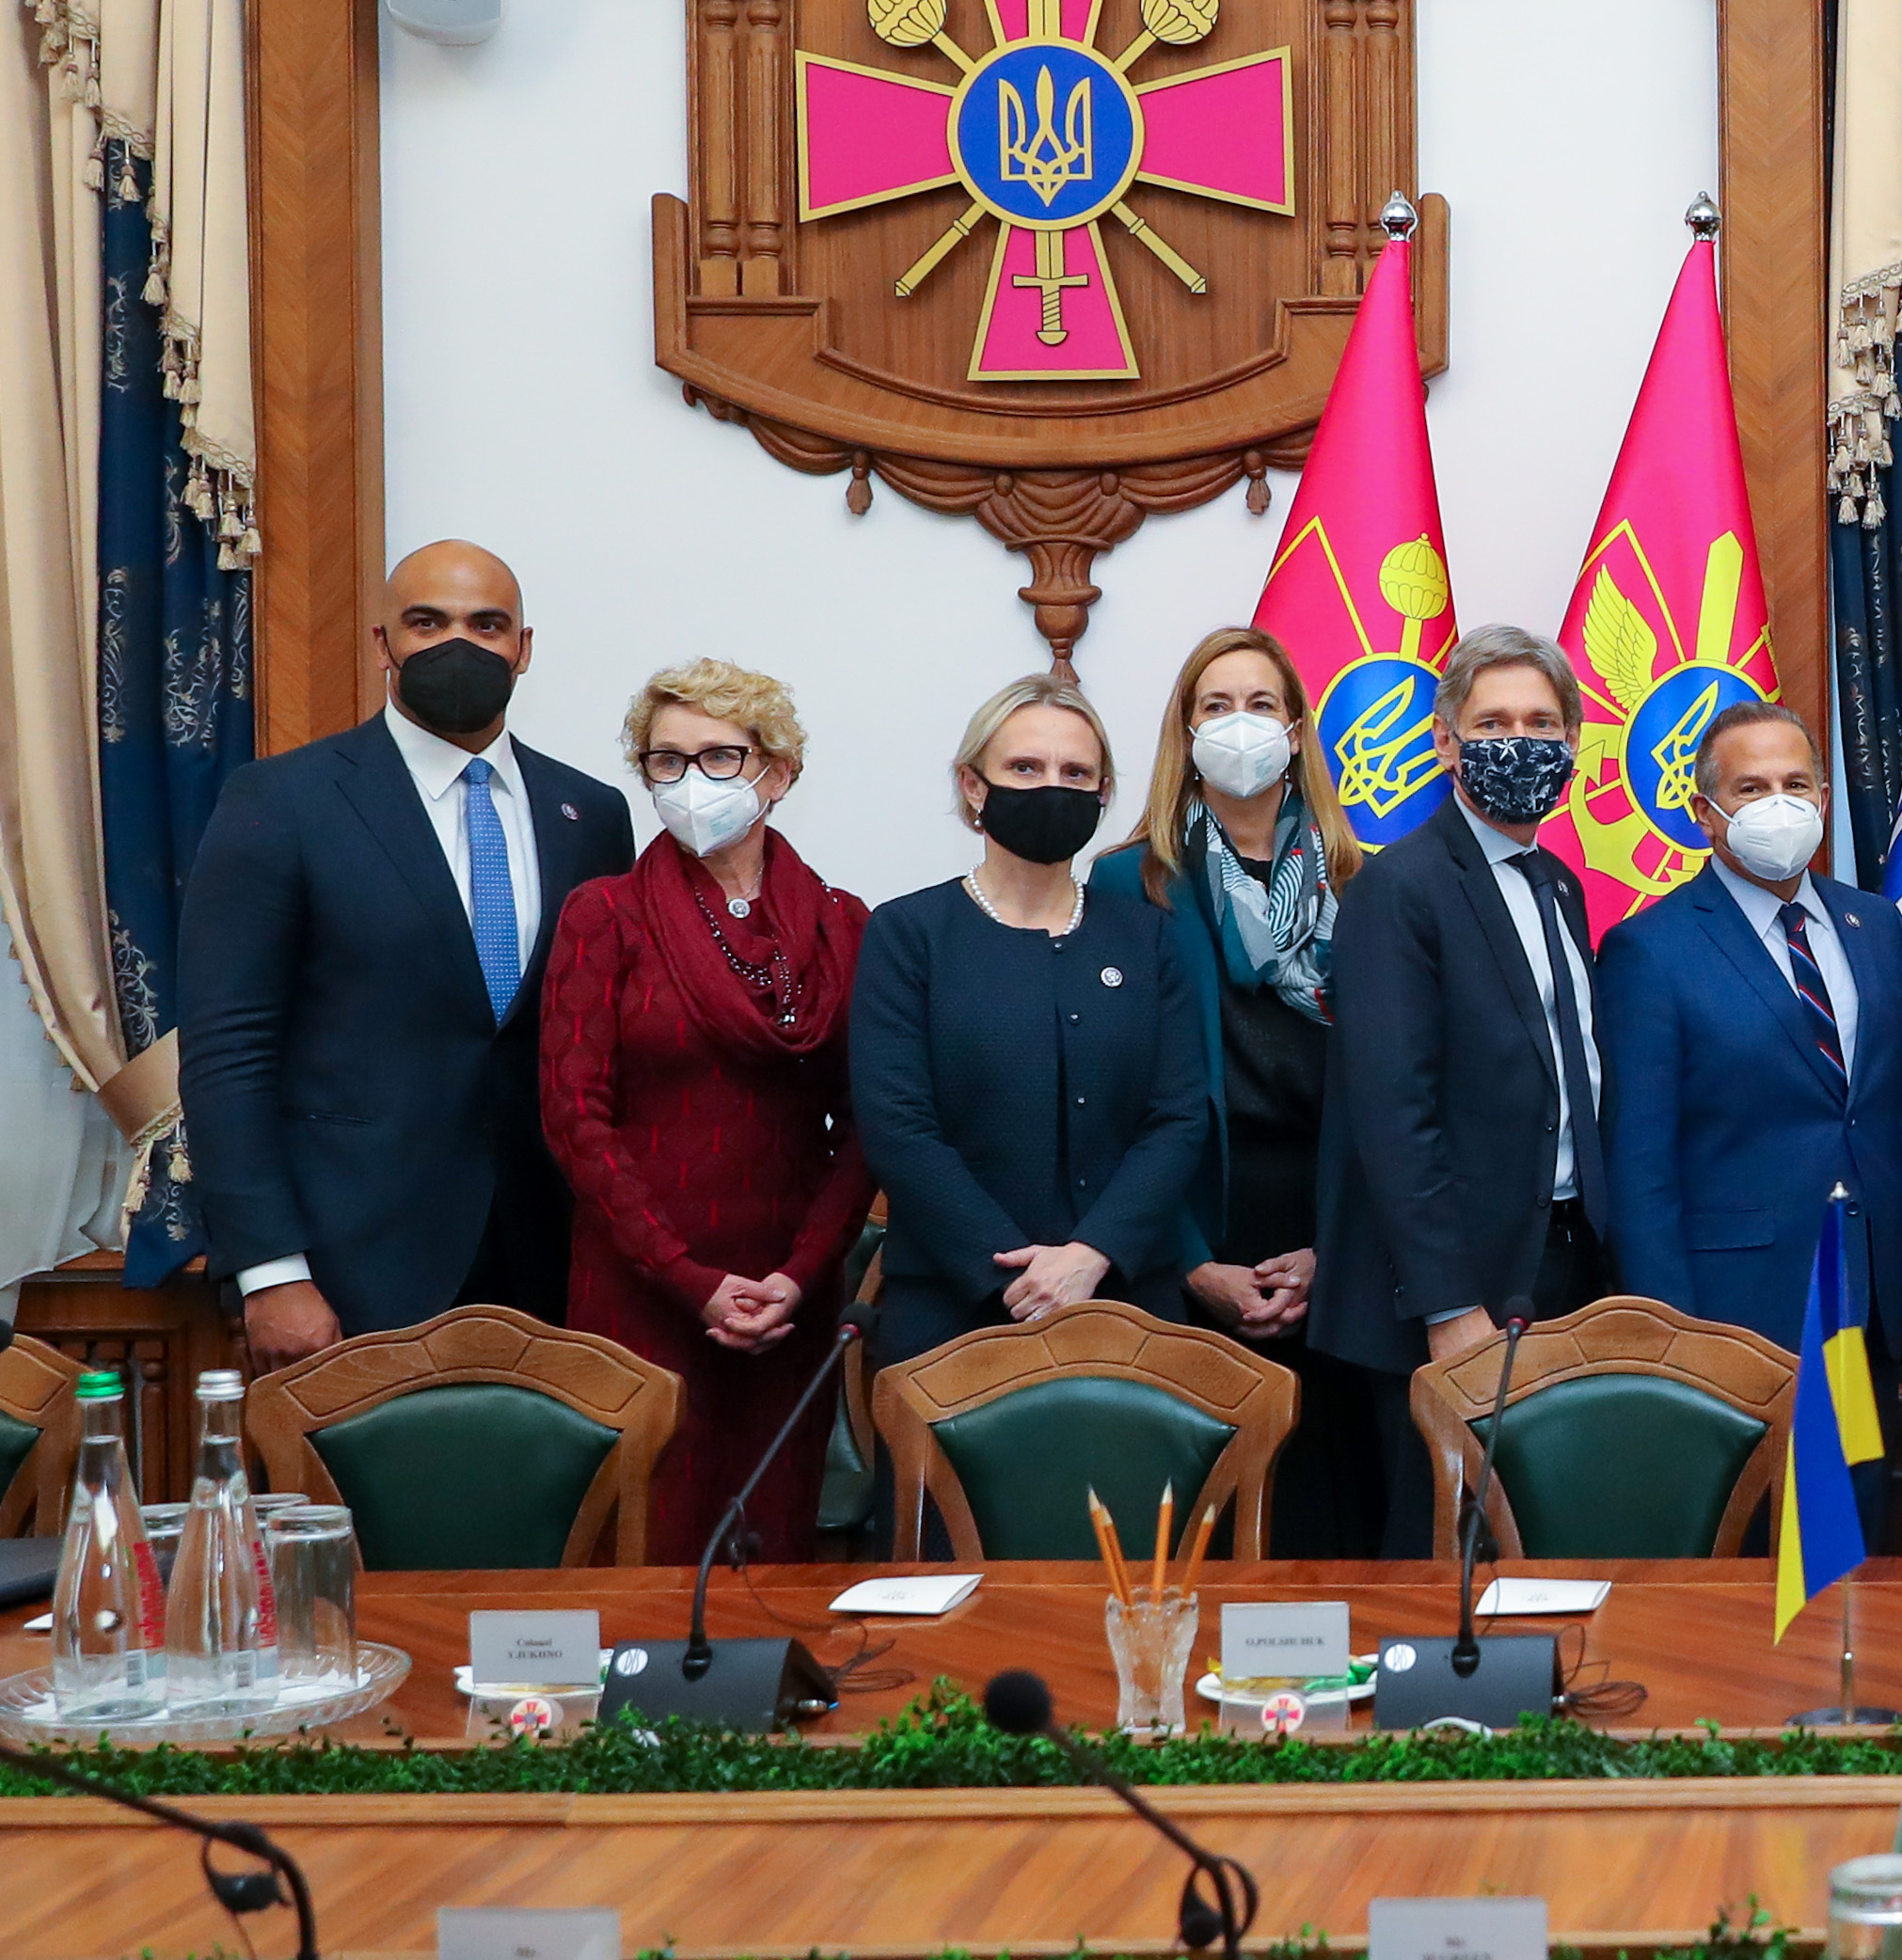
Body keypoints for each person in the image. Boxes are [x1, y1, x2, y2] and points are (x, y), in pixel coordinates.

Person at [180, 541, 631, 1366]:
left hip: (552, 1262)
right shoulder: (281, 802)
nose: (457, 644)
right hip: (351, 1267)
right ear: (383, 644)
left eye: (486, 624)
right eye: (427, 622)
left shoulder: (591, 813)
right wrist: (272, 1270)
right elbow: (226, 1054)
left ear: (524, 650)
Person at [535, 661, 871, 1562]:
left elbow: (868, 1125)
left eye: (721, 757)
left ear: (779, 773)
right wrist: (689, 1278)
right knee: (646, 1546)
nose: (691, 782)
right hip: (641, 1289)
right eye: (667, 760)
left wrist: (799, 1274)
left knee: (772, 1547)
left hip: (788, 1300)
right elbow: (574, 1116)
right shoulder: (602, 916)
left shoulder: (846, 926)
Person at [1318, 623, 1607, 1557]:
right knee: (1444, 1560)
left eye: (1540, 722)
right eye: (1491, 723)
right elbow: (1394, 1113)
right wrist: (1450, 1306)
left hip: (1554, 1263)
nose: (1517, 743)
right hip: (1446, 1294)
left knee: (1544, 1546)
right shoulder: (1399, 887)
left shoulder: (1559, 883)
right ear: (1444, 741)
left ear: (1571, 741)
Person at [1090, 628, 1379, 1557]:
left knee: (1336, 1508)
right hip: (1193, 1225)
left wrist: (1337, 1248)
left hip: (1343, 1233)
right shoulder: (1128, 887)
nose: (1240, 724)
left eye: (1260, 705)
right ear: (1185, 731)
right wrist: (1189, 1263)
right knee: (1205, 1525)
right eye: (1217, 706)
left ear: (1296, 730)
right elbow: (1111, 1103)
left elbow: (1402, 1096)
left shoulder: (1366, 884)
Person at [845, 677, 1210, 1374]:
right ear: (974, 786)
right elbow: (897, 1126)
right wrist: (1018, 1273)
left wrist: (1090, 1254)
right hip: (953, 1305)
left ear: (1103, 795)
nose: (1052, 786)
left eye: (1076, 773)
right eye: (1025, 768)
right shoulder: (908, 933)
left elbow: (1178, 1116)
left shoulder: (1148, 938)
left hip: (1129, 1300)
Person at [1603, 703, 1902, 1366]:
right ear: (1706, 814)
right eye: (1751, 789)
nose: (1778, 803)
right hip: (1734, 1313)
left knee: (1858, 1474)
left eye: (1795, 785)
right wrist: (1674, 1336)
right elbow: (1640, 1167)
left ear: (1824, 799)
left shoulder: (1875, 925)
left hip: (1873, 1299)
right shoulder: (1649, 951)